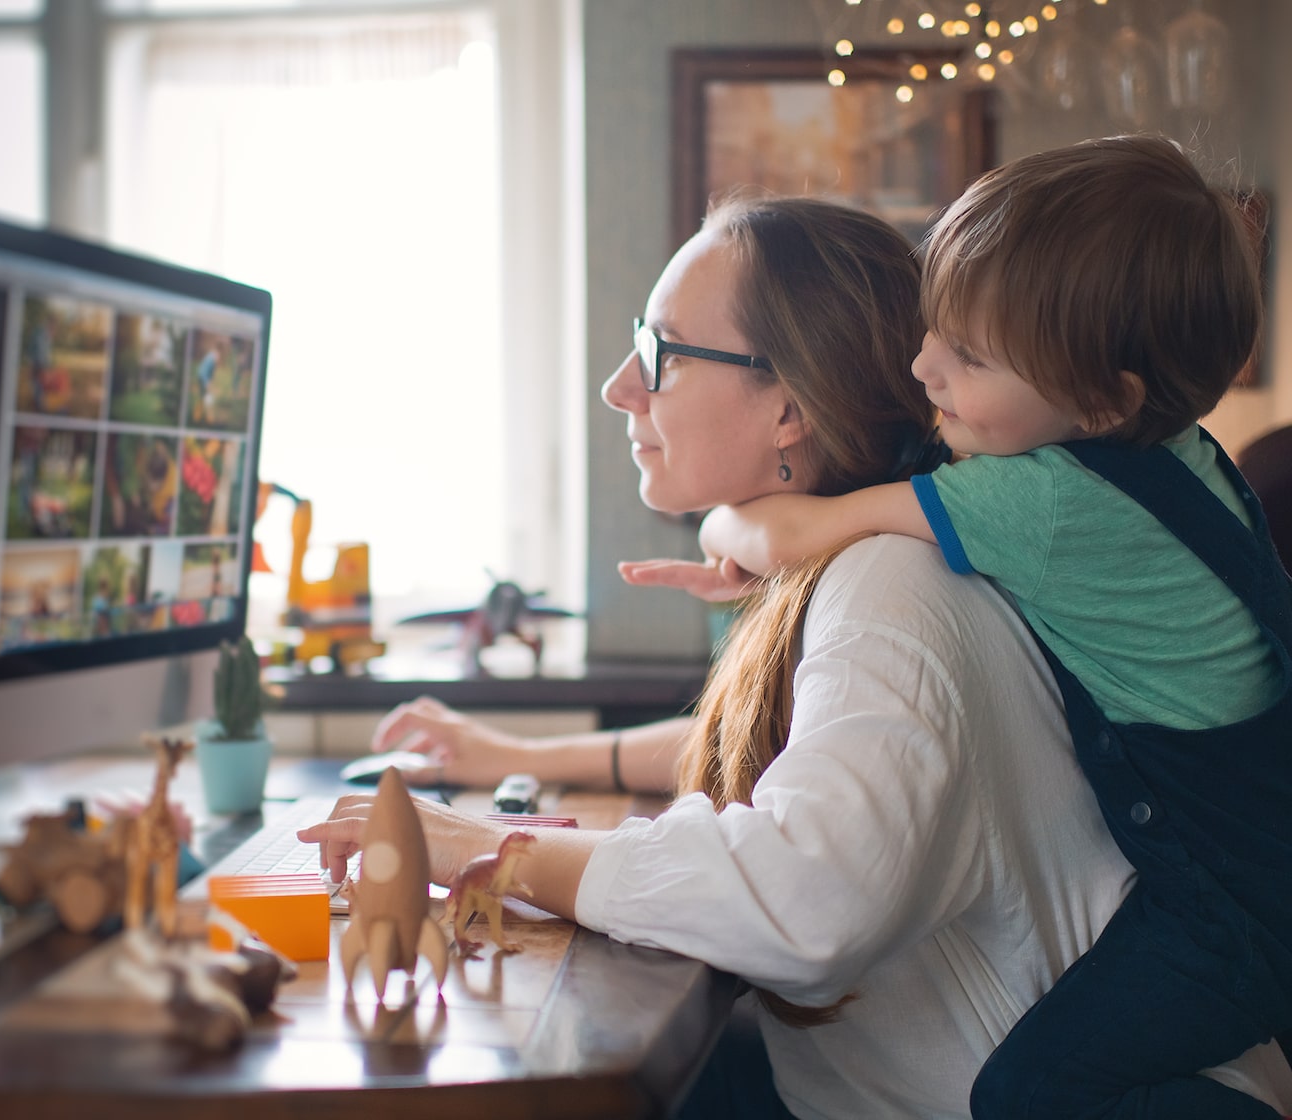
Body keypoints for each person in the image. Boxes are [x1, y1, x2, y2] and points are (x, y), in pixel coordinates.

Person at [296, 193, 1292, 1118]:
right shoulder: (890, 562)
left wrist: (485, 851)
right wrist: (521, 760)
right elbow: (817, 753)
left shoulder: (892, 588)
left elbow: (806, 898)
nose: (619, 385)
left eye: (660, 348)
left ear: (790, 408)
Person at [666, 136, 1292, 1118]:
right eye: (934, 330)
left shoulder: (1039, 504)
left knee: (1025, 1091)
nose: (925, 368)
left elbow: (800, 526)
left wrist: (723, 531)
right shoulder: (1181, 454)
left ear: (1102, 399)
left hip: (1231, 895)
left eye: (971, 355)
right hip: (1252, 848)